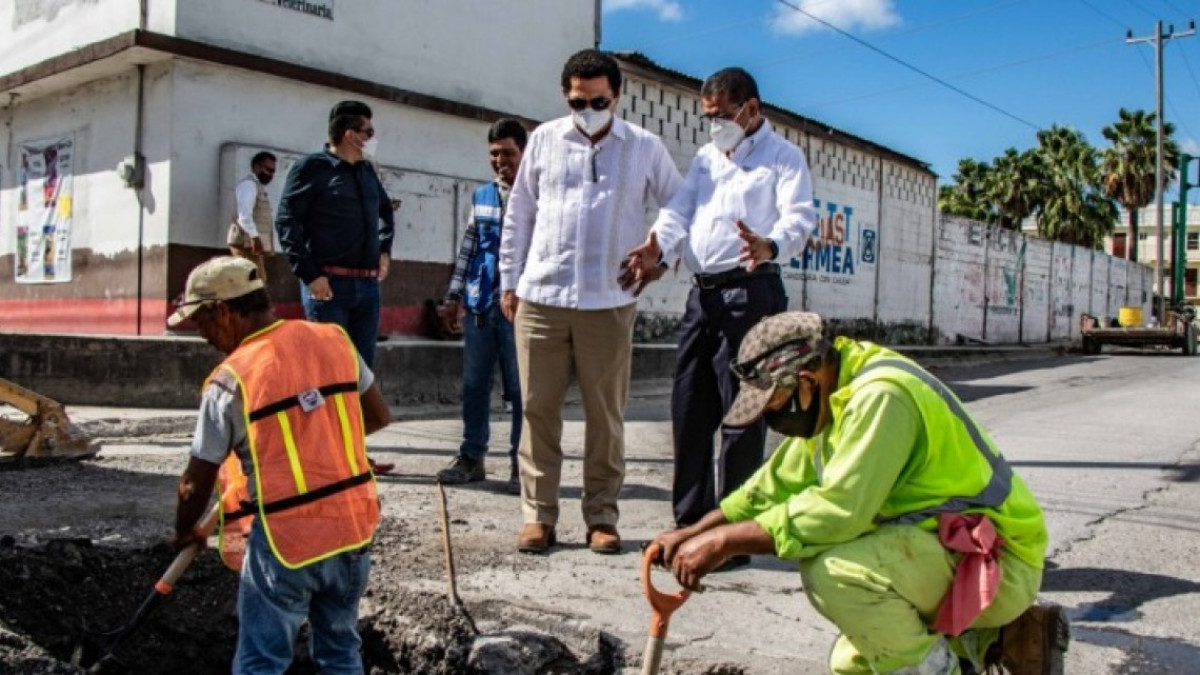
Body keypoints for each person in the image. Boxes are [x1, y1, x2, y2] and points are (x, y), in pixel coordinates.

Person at [652, 311, 1067, 675]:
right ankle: (993, 638)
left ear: (807, 381)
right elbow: (769, 488)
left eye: (774, 405)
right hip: (944, 548)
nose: (772, 419)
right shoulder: (837, 392)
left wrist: (726, 541)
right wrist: (693, 531)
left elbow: (838, 511)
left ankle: (964, 653)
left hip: (999, 560)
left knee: (834, 573)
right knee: (852, 664)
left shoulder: (881, 398)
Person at [624, 68, 816, 555]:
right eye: (708, 117)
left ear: (752, 109)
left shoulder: (784, 158)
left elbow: (800, 218)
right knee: (689, 409)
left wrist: (771, 245)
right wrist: (658, 247)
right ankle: (691, 526)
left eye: (722, 116)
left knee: (741, 418)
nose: (714, 126)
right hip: (703, 297)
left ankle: (730, 537)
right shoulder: (707, 159)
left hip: (753, 293)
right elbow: (679, 212)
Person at [168, 256, 391, 674]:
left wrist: (184, 532)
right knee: (341, 652)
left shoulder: (230, 379)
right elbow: (377, 416)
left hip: (286, 543)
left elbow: (193, 484)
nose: (203, 336)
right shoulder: (334, 340)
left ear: (223, 311)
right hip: (351, 533)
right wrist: (326, 445)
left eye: (201, 322)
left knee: (261, 661)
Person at [500, 49, 683, 554]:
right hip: (542, 294)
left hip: (610, 300)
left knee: (605, 414)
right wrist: (509, 281)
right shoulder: (542, 140)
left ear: (617, 97)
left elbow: (679, 202)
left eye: (598, 101)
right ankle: (538, 515)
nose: (589, 111)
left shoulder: (644, 146)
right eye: (579, 102)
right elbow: (520, 214)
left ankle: (601, 516)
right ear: (566, 96)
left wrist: (659, 251)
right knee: (538, 410)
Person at [276, 100, 395, 475]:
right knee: (324, 375)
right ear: (350, 133)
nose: (371, 139)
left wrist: (385, 250)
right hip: (329, 288)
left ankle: (352, 453)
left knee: (360, 376)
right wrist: (309, 274)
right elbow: (287, 222)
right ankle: (320, 458)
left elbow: (385, 212)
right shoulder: (311, 169)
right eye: (368, 132)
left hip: (366, 289)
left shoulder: (366, 172)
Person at [437, 118, 528, 494]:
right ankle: (472, 457)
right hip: (481, 306)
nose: (500, 160)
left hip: (521, 307)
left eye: (507, 153)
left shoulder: (537, 195)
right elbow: (469, 248)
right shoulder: (482, 197)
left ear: (523, 152)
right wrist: (453, 296)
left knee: (522, 389)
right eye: (493, 154)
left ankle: (523, 466)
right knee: (474, 384)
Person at [228, 151, 277, 282]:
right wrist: (255, 238)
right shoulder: (248, 185)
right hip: (245, 244)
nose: (271, 175)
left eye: (273, 171)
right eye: (268, 170)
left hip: (250, 245)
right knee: (252, 284)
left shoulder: (257, 186)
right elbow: (244, 215)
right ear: (256, 167)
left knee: (257, 282)